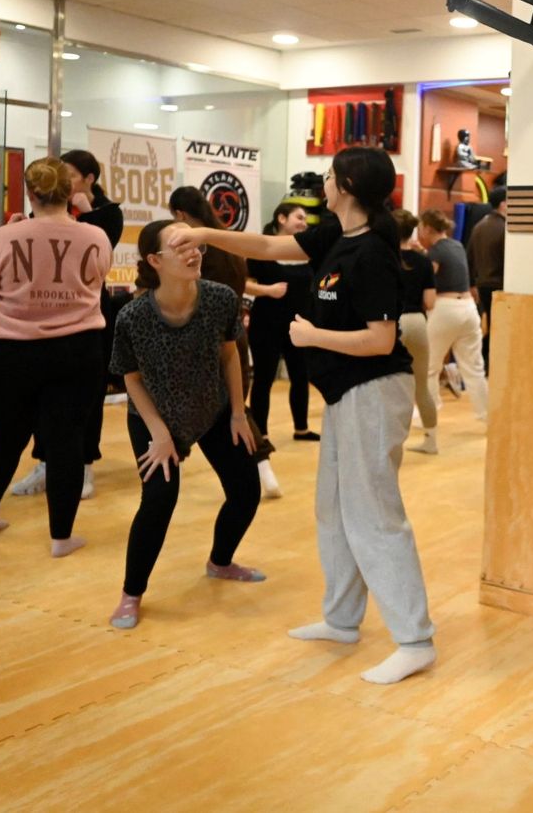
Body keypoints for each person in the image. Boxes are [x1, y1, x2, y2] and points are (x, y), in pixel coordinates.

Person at [169, 147, 436, 685]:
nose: (323, 185)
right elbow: (268, 243)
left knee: (373, 514)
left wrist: (313, 336)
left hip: (374, 389)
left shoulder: (375, 253)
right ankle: (341, 620)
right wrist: (204, 234)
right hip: (344, 393)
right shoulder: (335, 235)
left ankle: (415, 639)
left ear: (349, 185)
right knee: (333, 509)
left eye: (330, 178)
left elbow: (382, 339)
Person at [108, 220, 265, 630]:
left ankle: (220, 561)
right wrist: (159, 433)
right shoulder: (134, 316)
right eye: (181, 246)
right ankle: (131, 594)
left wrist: (237, 412)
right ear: (155, 261)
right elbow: (132, 380)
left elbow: (230, 355)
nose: (194, 251)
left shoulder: (219, 298)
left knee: (246, 489)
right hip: (154, 416)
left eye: (195, 243)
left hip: (212, 409)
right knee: (159, 499)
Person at [0, 158, 112, 557]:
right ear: (72, 193)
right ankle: (61, 537)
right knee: (66, 442)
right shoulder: (95, 236)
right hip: (77, 350)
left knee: (2, 441)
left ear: (30, 193)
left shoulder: (7, 235)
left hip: (11, 352)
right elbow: (99, 276)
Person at [10, 149, 125, 501]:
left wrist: (85, 211)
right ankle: (45, 462)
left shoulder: (107, 213)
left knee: (87, 397)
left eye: (71, 175)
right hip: (43, 313)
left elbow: (100, 252)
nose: (64, 182)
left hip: (90, 315)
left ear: (89, 179)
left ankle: (85, 464)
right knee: (43, 395)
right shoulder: (47, 208)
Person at [167, 186, 280, 497]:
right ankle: (262, 469)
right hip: (233, 334)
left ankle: (258, 467)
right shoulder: (227, 239)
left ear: (180, 214)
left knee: (213, 406)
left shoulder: (198, 246)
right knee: (232, 404)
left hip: (208, 338)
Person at [249, 203, 317, 448]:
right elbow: (240, 282)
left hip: (299, 327)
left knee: (300, 376)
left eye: (305, 219)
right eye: (299, 217)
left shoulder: (306, 250)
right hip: (266, 324)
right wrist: (267, 290)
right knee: (264, 379)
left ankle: (302, 428)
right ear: (281, 218)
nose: (304, 223)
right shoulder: (262, 248)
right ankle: (262, 434)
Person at [418, 209, 489, 422]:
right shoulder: (456, 246)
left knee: (430, 367)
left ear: (428, 229)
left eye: (421, 227)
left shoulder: (435, 252)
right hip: (468, 308)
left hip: (445, 309)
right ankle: (486, 414)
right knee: (474, 368)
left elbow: (428, 279)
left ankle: (428, 414)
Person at [395, 209, 440, 454]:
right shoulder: (423, 261)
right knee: (421, 384)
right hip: (417, 322)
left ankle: (394, 439)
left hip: (391, 323)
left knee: (391, 384)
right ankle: (431, 440)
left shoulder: (384, 258)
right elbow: (430, 302)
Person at [467, 187, 506, 371]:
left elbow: (470, 257)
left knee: (490, 325)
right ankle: (489, 365)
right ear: (503, 204)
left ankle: (483, 363)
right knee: (498, 328)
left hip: (482, 284)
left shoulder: (479, 225)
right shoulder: (505, 228)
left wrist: (472, 283)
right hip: (499, 284)